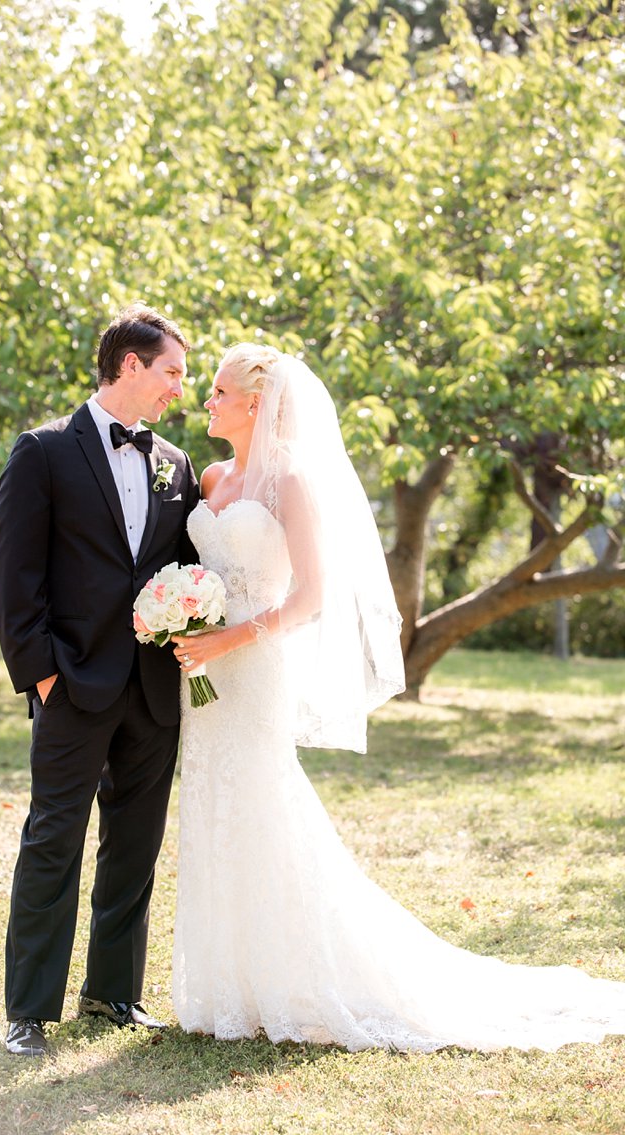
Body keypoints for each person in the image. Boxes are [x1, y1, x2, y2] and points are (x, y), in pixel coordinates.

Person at [172, 342, 625, 1050]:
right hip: (198, 678)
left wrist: (230, 639)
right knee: (208, 806)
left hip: (253, 669)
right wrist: (184, 617)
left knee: (260, 805)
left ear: (254, 404)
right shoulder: (210, 478)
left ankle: (301, 977)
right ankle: (227, 988)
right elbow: (201, 570)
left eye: (219, 391)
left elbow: (313, 596)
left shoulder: (289, 482)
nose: (208, 400)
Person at [0, 304, 202, 1057]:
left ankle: (114, 993)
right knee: (55, 840)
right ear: (131, 364)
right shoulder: (43, 451)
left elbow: (185, 567)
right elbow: (14, 579)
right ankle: (29, 1008)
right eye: (173, 370)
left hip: (152, 687)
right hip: (72, 684)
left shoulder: (177, 463)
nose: (181, 385)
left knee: (135, 845)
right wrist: (41, 677)